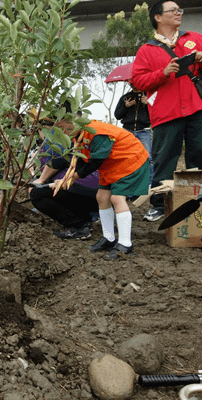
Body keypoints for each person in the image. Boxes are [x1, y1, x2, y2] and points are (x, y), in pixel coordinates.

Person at [131, 0, 202, 222]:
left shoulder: (194, 38)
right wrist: (162, 73)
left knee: (198, 156)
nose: (179, 13)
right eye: (173, 11)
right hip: (166, 113)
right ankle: (159, 205)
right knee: (164, 159)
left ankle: (197, 201)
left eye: (179, 10)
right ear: (158, 18)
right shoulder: (147, 50)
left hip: (196, 107)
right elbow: (138, 81)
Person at [56, 119, 150, 260]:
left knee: (117, 198)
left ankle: (126, 245)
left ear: (73, 120)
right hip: (111, 166)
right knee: (101, 197)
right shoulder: (79, 136)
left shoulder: (97, 132)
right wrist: (67, 178)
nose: (64, 133)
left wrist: (75, 177)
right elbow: (82, 160)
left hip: (129, 160)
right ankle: (109, 238)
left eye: (64, 129)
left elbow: (95, 162)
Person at [30, 157, 100, 240]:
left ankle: (78, 226)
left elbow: (57, 159)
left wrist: (41, 180)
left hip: (88, 190)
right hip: (99, 193)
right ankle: (84, 219)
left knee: (37, 194)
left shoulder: (57, 146)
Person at [113, 83, 153, 186]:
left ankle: (150, 184)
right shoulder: (125, 98)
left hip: (143, 131)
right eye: (132, 82)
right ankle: (127, 184)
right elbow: (117, 115)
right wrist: (126, 106)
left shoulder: (148, 96)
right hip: (127, 131)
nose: (134, 84)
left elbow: (155, 114)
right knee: (126, 158)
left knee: (148, 158)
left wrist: (147, 104)